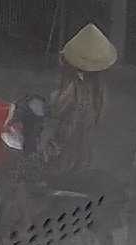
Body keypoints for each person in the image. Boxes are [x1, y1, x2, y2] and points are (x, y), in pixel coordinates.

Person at [49, 22, 116, 172]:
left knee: (62, 168)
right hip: (85, 144)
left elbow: (57, 109)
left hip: (66, 141)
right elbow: (100, 116)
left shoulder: (75, 87)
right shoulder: (100, 88)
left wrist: (54, 98)